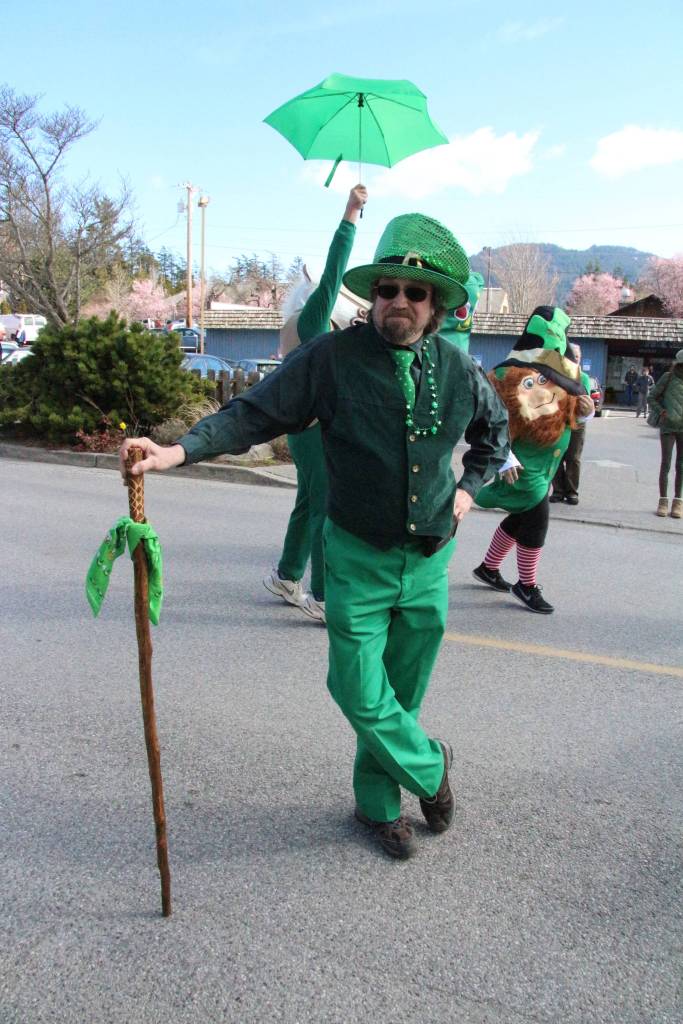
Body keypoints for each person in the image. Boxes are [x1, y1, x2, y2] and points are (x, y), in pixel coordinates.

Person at [119, 213, 510, 861]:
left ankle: (376, 806)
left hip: (428, 560)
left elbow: (494, 437)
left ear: (435, 305)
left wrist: (468, 489)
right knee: (356, 689)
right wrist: (178, 452)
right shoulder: (331, 358)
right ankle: (431, 767)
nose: (399, 301)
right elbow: (254, 413)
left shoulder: (458, 368)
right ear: (374, 295)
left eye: (415, 292)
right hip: (355, 557)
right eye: (387, 289)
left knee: (399, 695)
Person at [263, 185, 368, 624]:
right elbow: (333, 273)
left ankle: (288, 576)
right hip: (314, 430)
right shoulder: (312, 320)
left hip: (301, 429)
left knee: (308, 503)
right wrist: (351, 214)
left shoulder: (298, 326)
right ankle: (323, 597)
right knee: (325, 510)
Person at [471, 307, 594, 614]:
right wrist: (503, 456)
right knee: (537, 521)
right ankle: (526, 585)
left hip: (545, 465)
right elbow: (487, 420)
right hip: (521, 466)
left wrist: (585, 412)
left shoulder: (565, 375)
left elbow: (570, 415)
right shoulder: (508, 375)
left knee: (521, 518)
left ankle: (488, 567)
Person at [549, 343, 593, 506]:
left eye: (577, 356)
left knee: (573, 458)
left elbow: (583, 401)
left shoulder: (584, 378)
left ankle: (572, 492)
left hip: (577, 423)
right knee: (557, 456)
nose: (575, 359)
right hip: (558, 421)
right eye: (572, 356)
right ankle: (558, 491)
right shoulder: (557, 375)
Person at [649, 349, 683, 518]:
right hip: (668, 427)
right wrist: (662, 412)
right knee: (666, 464)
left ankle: (678, 502)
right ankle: (663, 501)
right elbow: (651, 397)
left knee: (681, 466)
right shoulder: (668, 377)